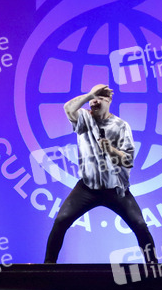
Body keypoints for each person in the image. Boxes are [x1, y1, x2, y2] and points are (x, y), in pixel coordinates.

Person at [44, 83, 155, 263]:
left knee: (140, 225)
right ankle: (47, 268)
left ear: (109, 101)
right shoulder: (84, 118)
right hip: (87, 188)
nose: (94, 102)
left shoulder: (121, 126)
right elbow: (68, 108)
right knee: (61, 221)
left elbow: (128, 161)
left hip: (116, 189)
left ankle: (154, 266)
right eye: (93, 99)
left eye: (100, 98)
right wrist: (90, 94)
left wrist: (111, 150)